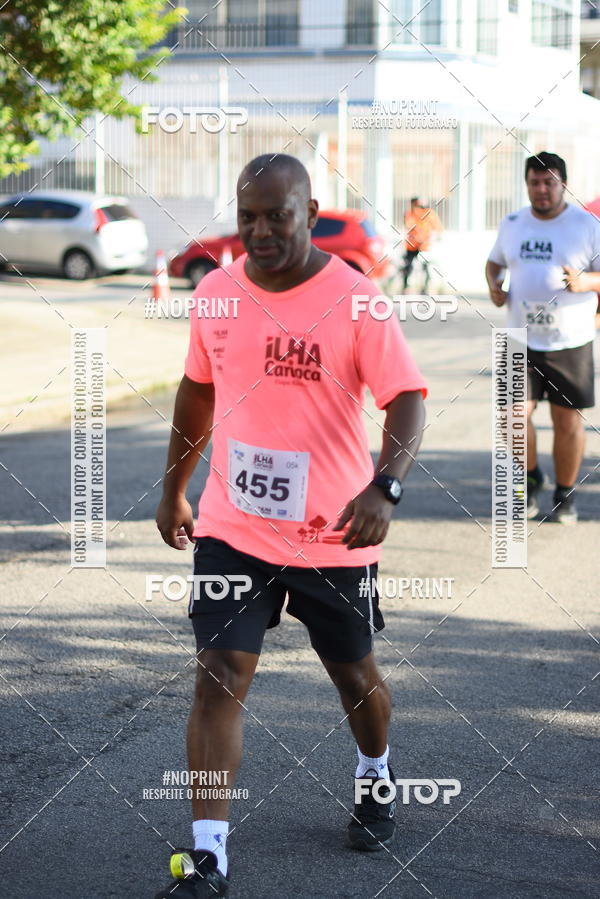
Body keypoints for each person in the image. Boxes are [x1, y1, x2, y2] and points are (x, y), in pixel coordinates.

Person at [154, 153, 427, 897]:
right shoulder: (216, 292)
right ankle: (209, 853)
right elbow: (196, 392)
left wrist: (386, 486)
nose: (262, 229)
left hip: (334, 533)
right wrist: (174, 488)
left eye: (278, 214)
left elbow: (407, 397)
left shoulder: (356, 298)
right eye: (249, 216)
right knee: (218, 675)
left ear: (310, 210)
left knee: (352, 674)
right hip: (232, 526)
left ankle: (375, 771)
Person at [486, 151, 600, 524]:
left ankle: (564, 495)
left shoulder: (586, 225)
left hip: (570, 340)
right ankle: (532, 478)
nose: (541, 190)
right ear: (527, 184)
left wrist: (586, 282)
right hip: (520, 338)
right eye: (534, 182)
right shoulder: (513, 222)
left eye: (549, 182)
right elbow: (495, 262)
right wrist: (494, 285)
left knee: (567, 423)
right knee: (512, 417)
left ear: (562, 184)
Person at [402, 196, 443, 294]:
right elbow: (409, 226)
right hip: (412, 245)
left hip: (424, 246)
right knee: (408, 266)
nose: (418, 208)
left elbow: (438, 229)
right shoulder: (410, 214)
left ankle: (425, 287)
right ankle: (405, 286)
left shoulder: (429, 213)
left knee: (426, 267)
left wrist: (431, 239)